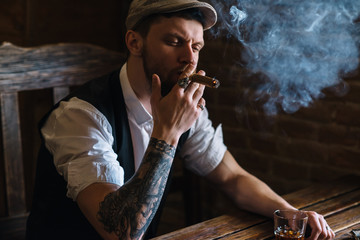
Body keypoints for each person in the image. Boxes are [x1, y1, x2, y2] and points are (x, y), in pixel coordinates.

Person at [26, 0, 335, 239]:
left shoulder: (183, 105)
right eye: (174, 42)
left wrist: (292, 212)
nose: (189, 57)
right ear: (135, 42)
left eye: (196, 46)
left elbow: (233, 179)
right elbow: (121, 232)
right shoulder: (80, 116)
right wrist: (168, 130)